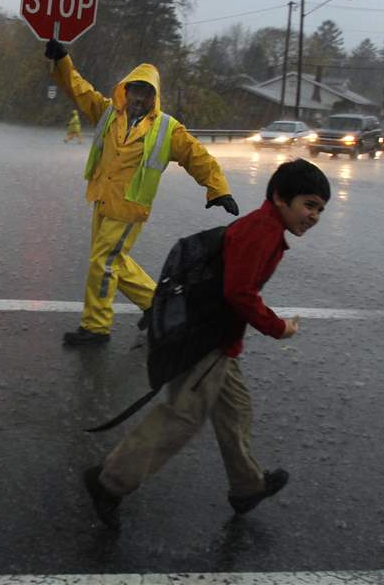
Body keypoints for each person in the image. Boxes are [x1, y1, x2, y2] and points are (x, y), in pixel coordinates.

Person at [82, 159, 331, 529]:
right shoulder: (260, 232)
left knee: (236, 410)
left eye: (320, 209)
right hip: (206, 342)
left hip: (219, 341)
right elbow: (239, 293)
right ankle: (109, 482)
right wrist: (279, 327)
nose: (314, 216)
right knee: (182, 417)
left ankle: (248, 487)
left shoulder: (266, 227)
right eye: (309, 205)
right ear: (280, 197)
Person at [44, 39, 239, 347]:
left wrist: (218, 189)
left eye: (147, 93)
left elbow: (196, 156)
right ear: (126, 90)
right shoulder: (109, 113)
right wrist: (63, 61)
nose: (140, 97)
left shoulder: (166, 128)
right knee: (112, 260)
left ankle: (96, 327)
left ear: (154, 97)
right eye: (136, 90)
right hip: (103, 198)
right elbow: (79, 90)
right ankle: (156, 304)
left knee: (103, 262)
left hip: (130, 208)